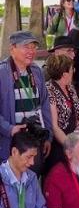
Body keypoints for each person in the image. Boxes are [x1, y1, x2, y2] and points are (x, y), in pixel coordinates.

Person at [0, 31, 53, 170]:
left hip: (35, 140)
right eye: (26, 47)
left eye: (34, 47)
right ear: (12, 49)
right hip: (11, 143)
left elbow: (45, 105)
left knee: (33, 181)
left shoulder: (36, 71)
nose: (31, 51)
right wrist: (9, 129)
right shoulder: (2, 73)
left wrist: (48, 135)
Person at [44, 54, 79, 170]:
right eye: (72, 69)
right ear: (64, 74)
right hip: (60, 145)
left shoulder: (70, 87)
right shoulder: (49, 91)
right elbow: (54, 127)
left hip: (76, 137)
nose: (74, 71)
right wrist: (72, 148)